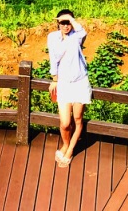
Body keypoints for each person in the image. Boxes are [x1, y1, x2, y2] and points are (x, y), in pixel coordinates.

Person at [46, 9, 90, 167]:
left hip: (80, 82)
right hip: (64, 83)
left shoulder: (77, 37)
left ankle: (70, 150)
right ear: (57, 23)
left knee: (77, 119)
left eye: (68, 22)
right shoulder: (52, 37)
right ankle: (65, 144)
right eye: (63, 22)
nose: (66, 25)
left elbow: (83, 31)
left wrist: (71, 19)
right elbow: (52, 59)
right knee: (65, 122)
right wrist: (54, 79)